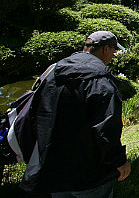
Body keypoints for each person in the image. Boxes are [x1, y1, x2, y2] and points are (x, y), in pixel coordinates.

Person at [22, 30, 131, 197]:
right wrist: (119, 161)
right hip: (89, 174)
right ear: (106, 49)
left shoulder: (53, 73)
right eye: (114, 51)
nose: (113, 56)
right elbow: (106, 129)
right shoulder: (100, 81)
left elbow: (35, 113)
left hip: (53, 169)